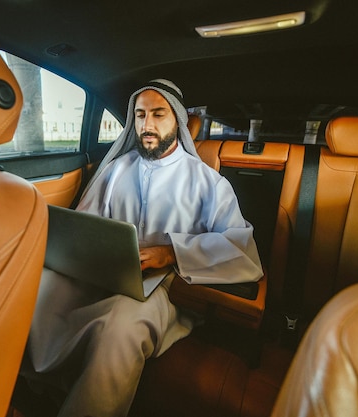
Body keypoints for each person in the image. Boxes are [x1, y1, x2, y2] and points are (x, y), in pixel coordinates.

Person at [22, 79, 263, 417]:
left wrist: (172, 252)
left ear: (177, 120)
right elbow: (85, 224)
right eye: (140, 115)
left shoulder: (207, 182)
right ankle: (31, 390)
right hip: (106, 274)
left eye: (158, 115)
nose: (146, 126)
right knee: (42, 283)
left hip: (166, 289)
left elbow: (241, 248)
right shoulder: (117, 169)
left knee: (123, 322)